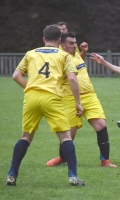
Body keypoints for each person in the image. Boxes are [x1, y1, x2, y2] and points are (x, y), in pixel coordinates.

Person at [6, 25, 85, 186]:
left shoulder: (31, 53)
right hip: (52, 97)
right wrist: (78, 102)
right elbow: (72, 78)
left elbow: (16, 75)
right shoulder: (63, 55)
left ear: (43, 39)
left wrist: (29, 87)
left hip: (32, 97)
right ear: (59, 40)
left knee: (26, 137)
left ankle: (11, 175)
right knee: (65, 137)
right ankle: (73, 176)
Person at [46, 32, 117, 168]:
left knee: (101, 125)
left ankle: (105, 161)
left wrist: (83, 52)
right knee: (69, 135)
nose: (74, 46)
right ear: (62, 45)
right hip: (70, 98)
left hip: (89, 96)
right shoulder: (59, 58)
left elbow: (79, 62)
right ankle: (62, 158)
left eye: (75, 43)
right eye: (71, 43)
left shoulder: (75, 54)